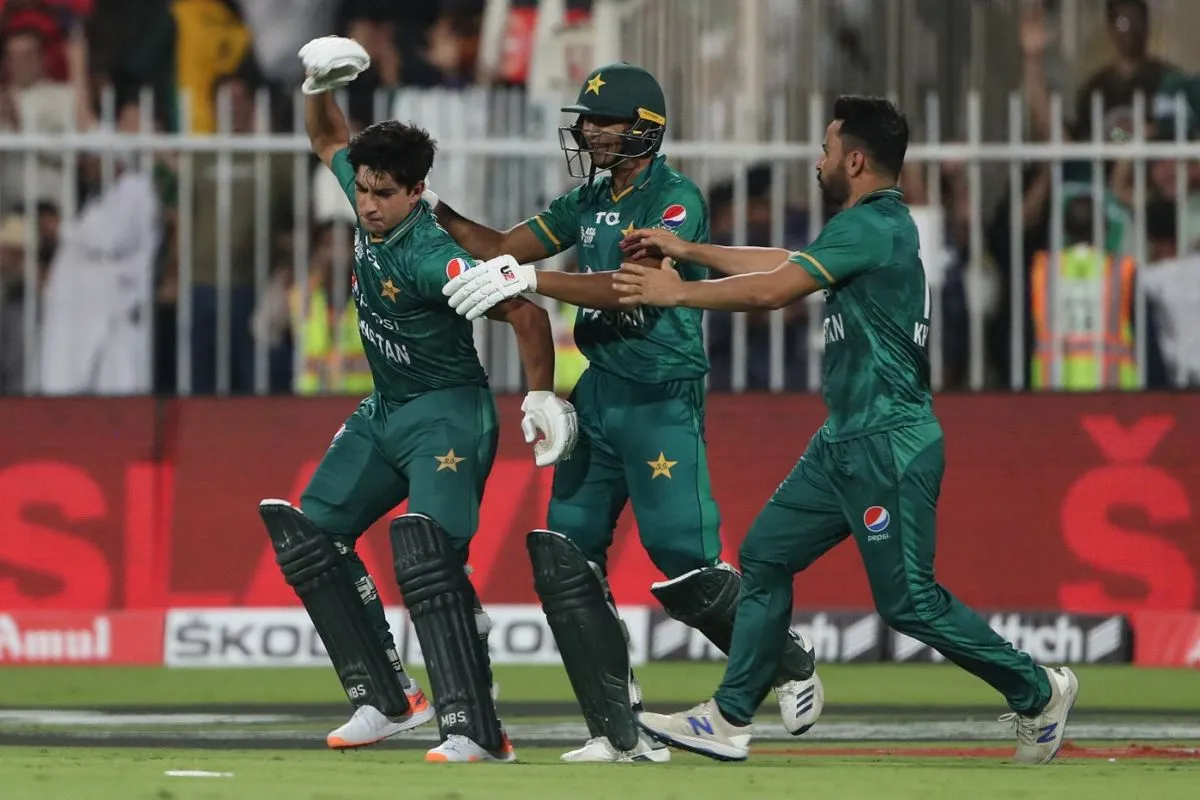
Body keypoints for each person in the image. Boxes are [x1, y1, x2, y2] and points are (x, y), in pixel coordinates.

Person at [614, 95, 1079, 766]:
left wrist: (674, 290)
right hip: (845, 440)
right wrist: (686, 248)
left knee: (909, 603)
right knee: (767, 552)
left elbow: (774, 291)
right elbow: (783, 263)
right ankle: (730, 716)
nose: (818, 160)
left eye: (827, 149)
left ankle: (1037, 692)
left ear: (855, 159)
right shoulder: (864, 228)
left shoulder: (873, 226)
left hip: (889, 440)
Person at [429, 62, 823, 764]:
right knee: (563, 558)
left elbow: (629, 287)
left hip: (660, 396)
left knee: (685, 561)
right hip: (599, 394)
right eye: (587, 120)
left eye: (604, 122)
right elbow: (498, 250)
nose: (589, 131)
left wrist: (533, 279)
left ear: (644, 130)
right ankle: (617, 731)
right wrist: (432, 207)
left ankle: (787, 661)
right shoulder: (586, 201)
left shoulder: (676, 202)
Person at [257, 35, 577, 764]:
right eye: (362, 190)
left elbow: (526, 313)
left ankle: (477, 728)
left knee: (429, 559)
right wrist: (314, 83)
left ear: (415, 192)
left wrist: (540, 398)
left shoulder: (436, 256)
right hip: (388, 409)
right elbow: (328, 136)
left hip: (447, 415)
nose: (366, 205)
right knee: (310, 537)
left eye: (382, 195)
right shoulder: (366, 187)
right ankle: (389, 699)